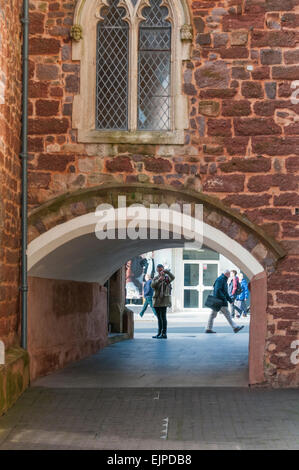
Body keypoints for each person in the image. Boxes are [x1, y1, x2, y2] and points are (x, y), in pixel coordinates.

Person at [205, 269, 244, 334]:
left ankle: (208, 328)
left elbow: (225, 292)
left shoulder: (223, 279)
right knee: (227, 315)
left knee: (214, 315)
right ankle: (235, 327)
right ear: (226, 274)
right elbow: (218, 290)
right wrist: (224, 298)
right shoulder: (220, 279)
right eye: (229, 274)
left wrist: (229, 300)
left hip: (219, 301)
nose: (229, 276)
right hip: (219, 301)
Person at [151, 264, 175, 339]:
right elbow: (152, 286)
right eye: (158, 270)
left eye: (161, 270)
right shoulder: (156, 278)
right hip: (157, 300)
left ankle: (164, 333)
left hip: (164, 300)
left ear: (163, 270)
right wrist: (159, 280)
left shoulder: (167, 278)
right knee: (159, 318)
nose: (160, 271)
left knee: (163, 317)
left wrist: (167, 272)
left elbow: (173, 277)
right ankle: (159, 333)